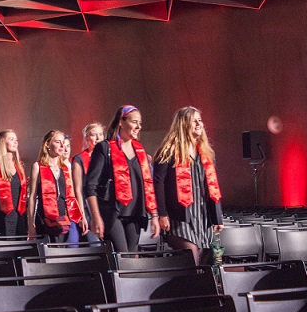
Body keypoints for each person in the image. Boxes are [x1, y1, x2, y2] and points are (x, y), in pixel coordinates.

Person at [153, 107, 224, 265]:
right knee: (191, 261)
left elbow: (212, 186)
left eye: (200, 120)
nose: (199, 124)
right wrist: (162, 214)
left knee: (206, 265)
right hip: (180, 218)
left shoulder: (205, 153)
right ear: (183, 124)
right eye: (194, 121)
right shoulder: (168, 152)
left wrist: (217, 216)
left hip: (203, 218)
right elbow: (158, 184)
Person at [85, 105, 160, 252]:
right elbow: (90, 186)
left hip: (135, 213)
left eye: (140, 123)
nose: (138, 126)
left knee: (131, 258)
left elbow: (148, 185)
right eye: (134, 122)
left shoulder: (140, 150)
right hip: (113, 213)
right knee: (121, 256)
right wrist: (95, 216)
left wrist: (155, 215)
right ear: (121, 122)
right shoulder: (104, 148)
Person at [28, 130, 87, 242]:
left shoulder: (65, 168)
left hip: (63, 219)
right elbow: (32, 196)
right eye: (58, 142)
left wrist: (81, 216)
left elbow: (72, 195)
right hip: (45, 219)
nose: (62, 145)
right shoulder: (38, 166)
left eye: (63, 143)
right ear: (47, 144)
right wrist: (30, 224)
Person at [73, 122, 105, 242]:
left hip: (105, 206)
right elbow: (78, 190)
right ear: (87, 138)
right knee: (95, 244)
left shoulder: (108, 157)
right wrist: (81, 215)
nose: (98, 138)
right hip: (88, 208)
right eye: (93, 135)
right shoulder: (79, 159)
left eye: (100, 134)